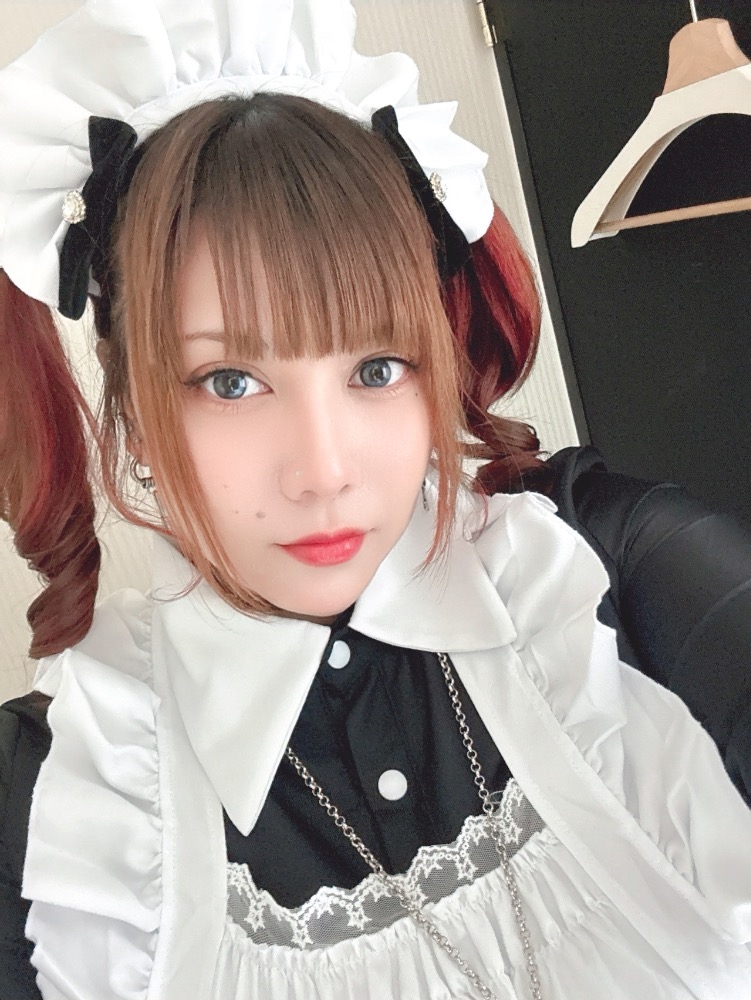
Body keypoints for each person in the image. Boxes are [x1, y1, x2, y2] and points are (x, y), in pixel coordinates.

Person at [1, 2, 750, 999]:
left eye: (377, 367)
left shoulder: (614, 571)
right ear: (133, 411)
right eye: (230, 381)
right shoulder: (62, 797)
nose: (322, 470)